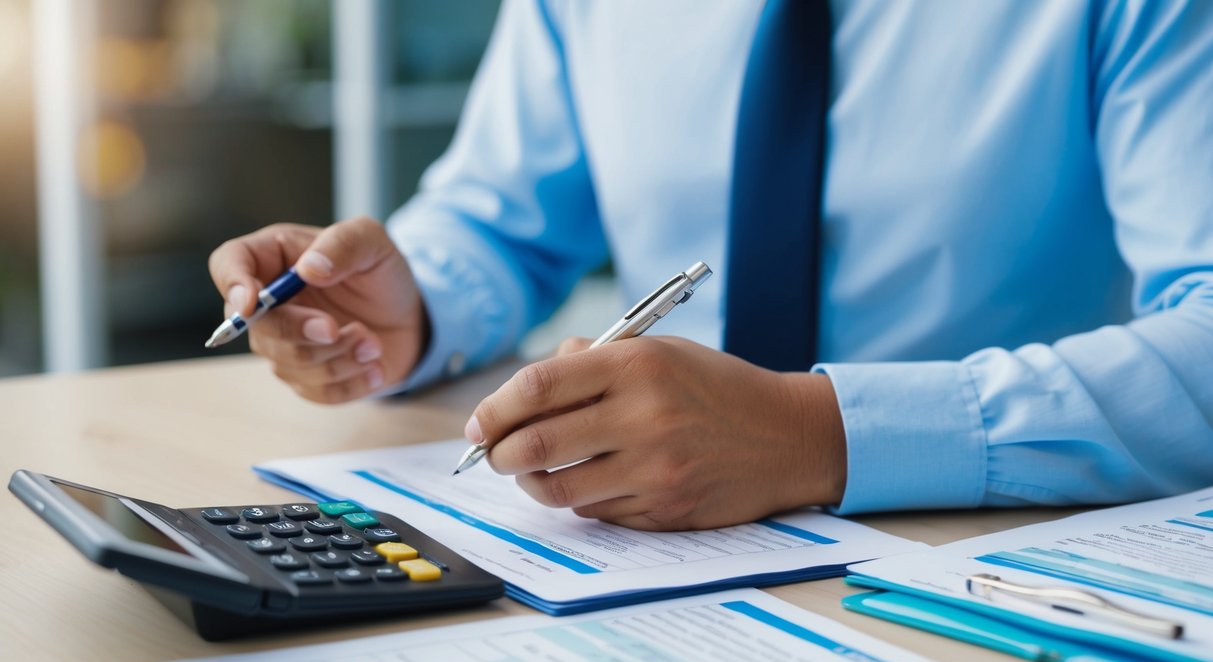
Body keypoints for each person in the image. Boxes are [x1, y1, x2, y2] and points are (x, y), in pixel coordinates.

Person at [209, 1, 1213, 531]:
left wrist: (816, 434)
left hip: (987, 554)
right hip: (652, 542)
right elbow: (500, 218)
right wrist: (411, 306)